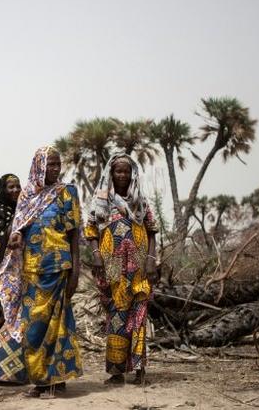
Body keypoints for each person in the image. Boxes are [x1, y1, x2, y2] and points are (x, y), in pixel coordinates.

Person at [0, 146, 83, 397]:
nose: (55, 169)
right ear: (38, 166)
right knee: (33, 329)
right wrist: (16, 237)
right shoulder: (26, 196)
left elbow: (74, 237)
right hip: (31, 271)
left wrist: (75, 272)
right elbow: (17, 230)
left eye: (57, 164)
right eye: (49, 164)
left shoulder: (67, 193)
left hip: (59, 268)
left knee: (58, 327)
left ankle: (53, 381)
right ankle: (40, 378)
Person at [84, 153, 159, 385]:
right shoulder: (101, 202)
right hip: (112, 265)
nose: (122, 175)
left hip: (138, 266)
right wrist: (96, 255)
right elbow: (91, 230)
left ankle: (139, 369)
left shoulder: (141, 202)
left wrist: (150, 259)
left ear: (132, 174)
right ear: (111, 174)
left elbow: (152, 231)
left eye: (126, 171)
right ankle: (116, 371)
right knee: (116, 316)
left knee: (138, 315)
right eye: (118, 171)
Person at [0, 174, 21, 342]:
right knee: (1, 308)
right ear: (2, 189)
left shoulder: (22, 207)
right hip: (1, 268)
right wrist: (19, 218)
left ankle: (10, 354)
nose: (15, 190)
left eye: (17, 186)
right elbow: (2, 238)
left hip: (20, 268)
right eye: (11, 187)